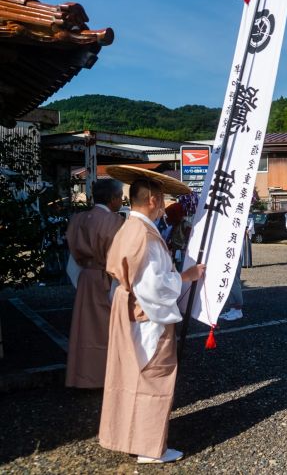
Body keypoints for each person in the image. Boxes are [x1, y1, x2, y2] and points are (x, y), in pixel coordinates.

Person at [99, 166, 205, 464]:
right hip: (146, 316)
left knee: (132, 376)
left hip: (127, 308)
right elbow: (155, 285)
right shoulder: (145, 234)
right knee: (153, 378)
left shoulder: (128, 227)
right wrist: (186, 276)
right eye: (162, 200)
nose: (163, 206)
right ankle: (150, 447)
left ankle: (133, 437)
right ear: (153, 200)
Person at [65, 179, 125, 388]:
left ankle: (83, 376)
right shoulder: (115, 222)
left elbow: (72, 262)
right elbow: (120, 257)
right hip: (107, 277)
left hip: (85, 278)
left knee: (85, 330)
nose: (122, 200)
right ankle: (106, 377)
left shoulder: (78, 219)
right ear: (112, 199)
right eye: (119, 196)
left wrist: (80, 279)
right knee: (108, 330)